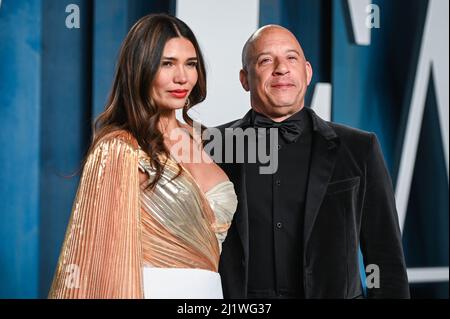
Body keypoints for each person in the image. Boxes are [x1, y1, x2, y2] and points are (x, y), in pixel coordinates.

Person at [48, 13, 237, 299]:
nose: (182, 77)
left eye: (191, 64)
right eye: (167, 63)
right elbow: (95, 258)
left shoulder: (204, 140)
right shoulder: (118, 148)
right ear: (140, 69)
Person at [216, 25, 410, 299]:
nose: (281, 68)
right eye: (265, 60)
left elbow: (383, 257)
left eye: (291, 58)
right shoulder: (210, 148)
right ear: (244, 78)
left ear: (307, 72)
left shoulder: (359, 148)